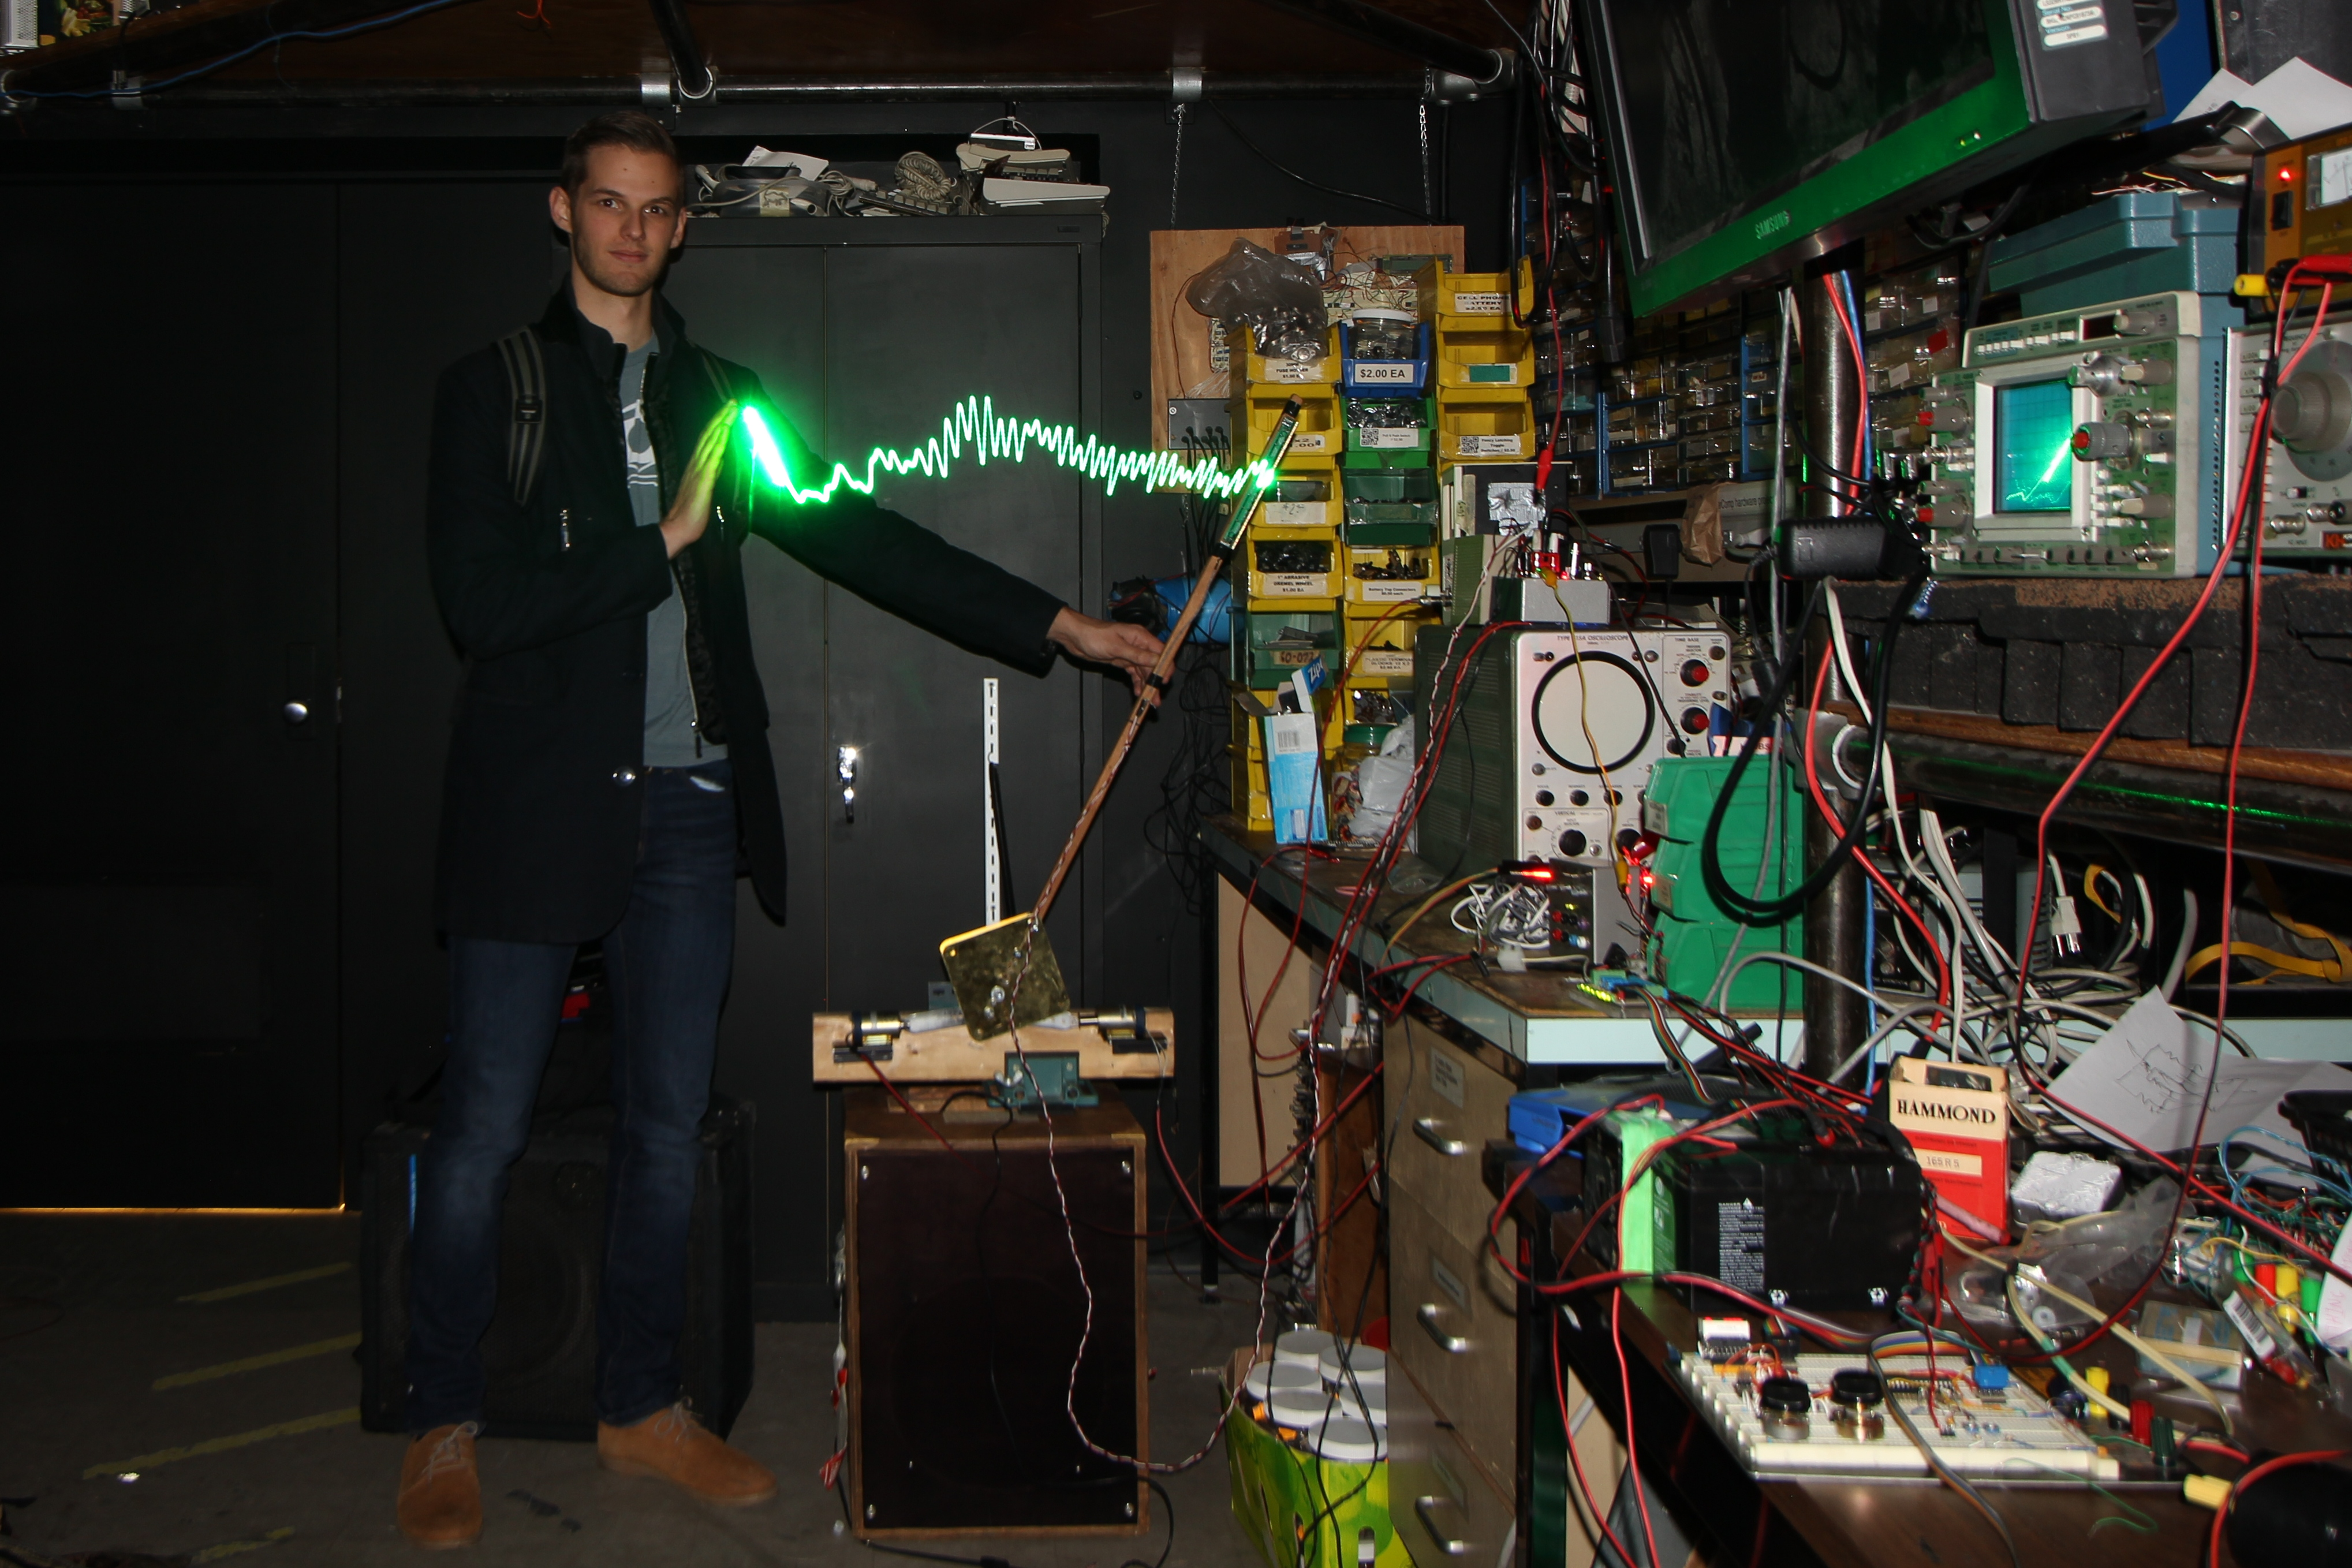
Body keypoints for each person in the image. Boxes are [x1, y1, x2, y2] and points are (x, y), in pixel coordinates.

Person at [397, 110, 1161, 1548]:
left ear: (683, 226)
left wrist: (1061, 625)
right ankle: (442, 1412)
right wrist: (664, 543)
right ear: (563, 211)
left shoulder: (722, 398)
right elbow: (479, 607)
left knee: (665, 1128)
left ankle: (642, 1405)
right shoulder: (493, 389)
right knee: (484, 1127)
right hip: (533, 812)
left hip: (691, 808)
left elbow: (862, 533)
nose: (632, 228)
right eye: (608, 203)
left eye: (656, 208)